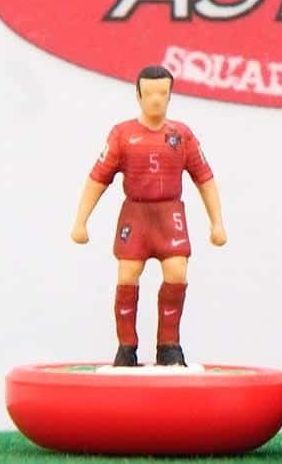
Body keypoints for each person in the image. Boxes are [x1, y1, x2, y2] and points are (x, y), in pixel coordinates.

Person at [71, 66, 227, 366]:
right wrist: (81, 221)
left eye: (162, 93)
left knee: (177, 271)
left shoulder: (181, 135)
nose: (156, 99)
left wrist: (217, 223)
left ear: (170, 96)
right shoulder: (122, 134)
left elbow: (204, 178)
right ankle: (126, 347)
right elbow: (98, 178)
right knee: (128, 273)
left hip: (169, 214)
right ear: (138, 95)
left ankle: (169, 345)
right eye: (150, 93)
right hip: (136, 215)